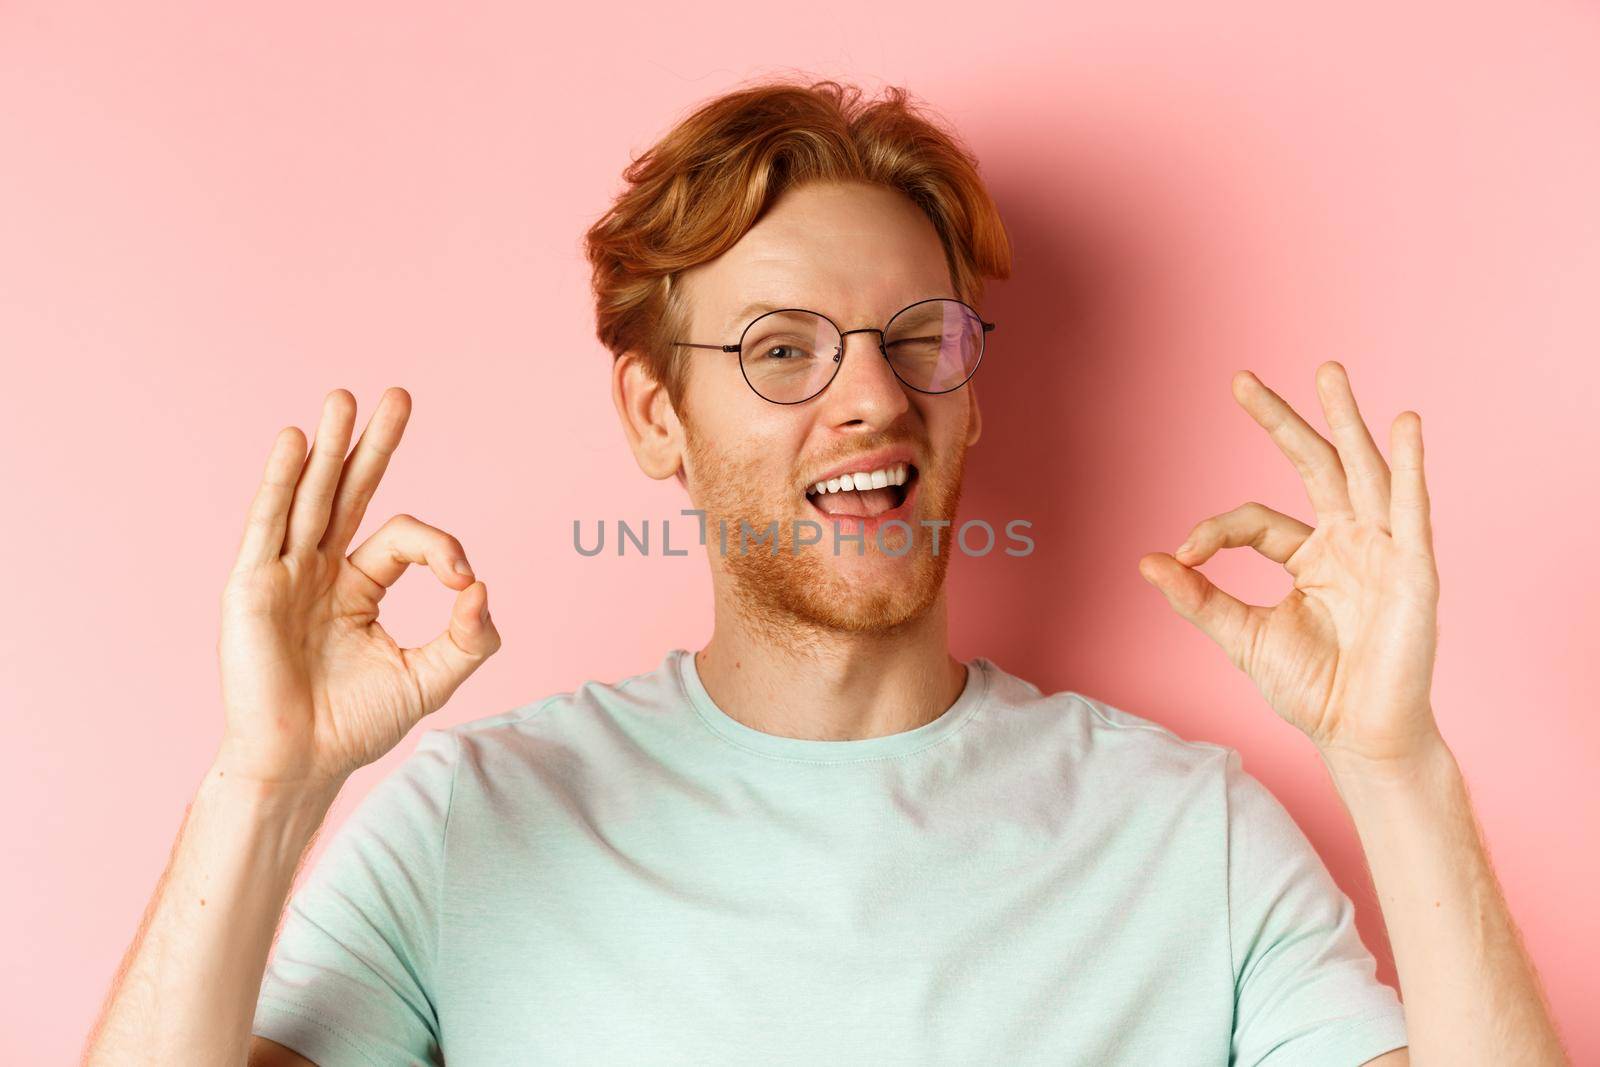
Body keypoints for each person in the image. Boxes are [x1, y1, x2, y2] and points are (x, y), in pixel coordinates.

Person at [83, 77, 1566, 1066]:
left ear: (973, 394)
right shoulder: (477, 820)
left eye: (919, 339)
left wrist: (1396, 763)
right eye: (781, 350)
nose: (870, 397)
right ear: (659, 416)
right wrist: (262, 787)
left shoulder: (1193, 839)